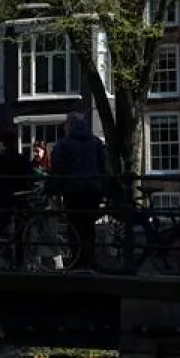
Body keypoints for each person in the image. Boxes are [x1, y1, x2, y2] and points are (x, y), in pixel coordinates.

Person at [49, 113, 107, 269]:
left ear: (69, 126)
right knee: (89, 225)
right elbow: (103, 167)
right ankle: (90, 259)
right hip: (93, 190)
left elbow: (57, 169)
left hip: (73, 190)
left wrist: (54, 190)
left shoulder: (63, 144)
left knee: (74, 225)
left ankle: (77, 259)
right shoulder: (95, 142)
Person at [0, 130, 34, 267]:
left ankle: (6, 260)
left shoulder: (0, 159)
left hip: (5, 198)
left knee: (4, 228)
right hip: (20, 197)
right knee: (21, 230)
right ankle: (19, 262)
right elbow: (29, 177)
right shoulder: (22, 159)